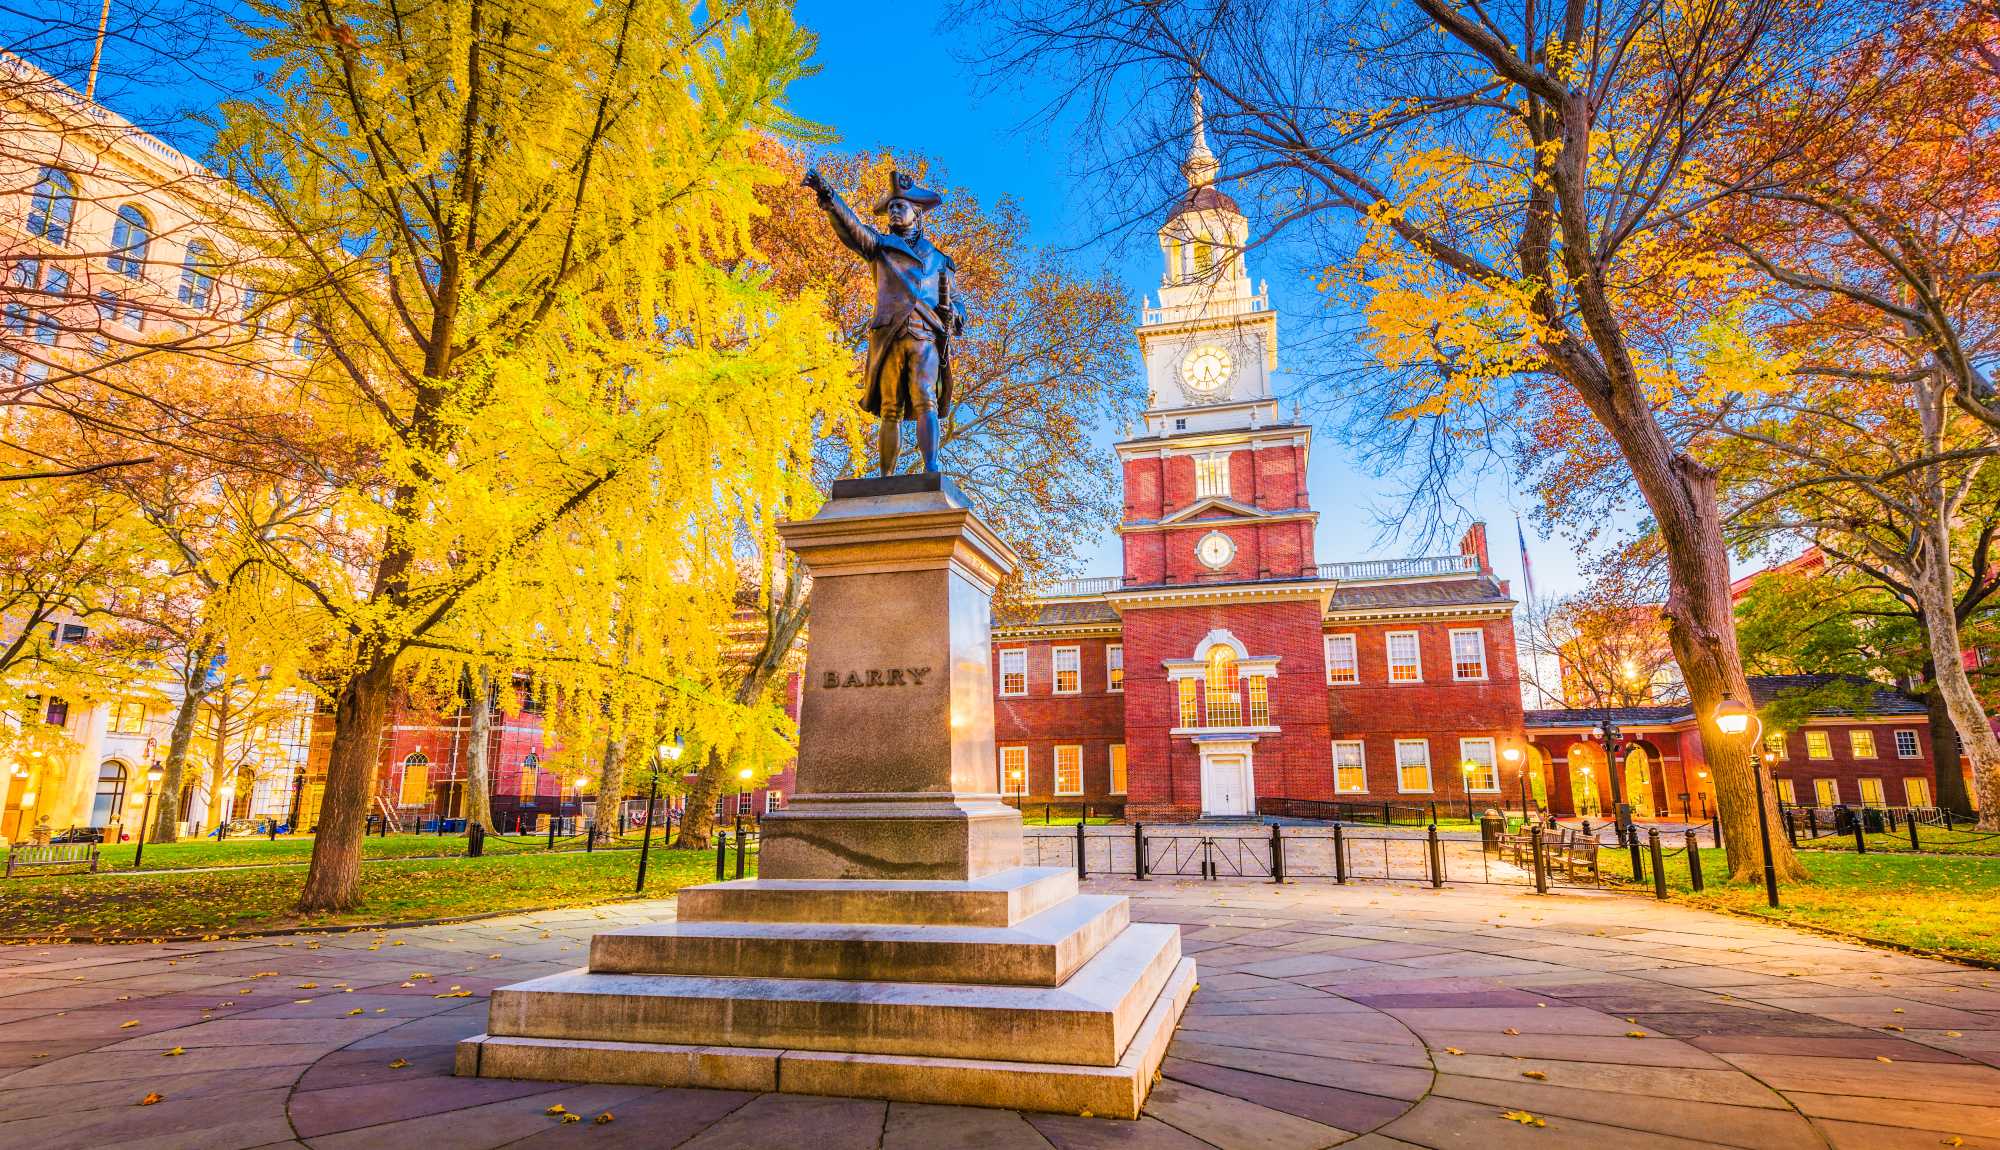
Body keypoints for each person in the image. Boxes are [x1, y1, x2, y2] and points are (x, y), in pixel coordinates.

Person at [801, 167, 966, 475]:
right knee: (890, 407)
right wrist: (827, 194)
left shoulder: (940, 260)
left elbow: (958, 303)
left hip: (925, 335)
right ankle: (886, 476)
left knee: (925, 397)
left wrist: (953, 314)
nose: (893, 211)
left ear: (917, 212)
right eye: (890, 207)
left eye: (900, 206)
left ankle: (931, 468)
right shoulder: (879, 245)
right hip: (890, 336)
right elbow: (852, 228)